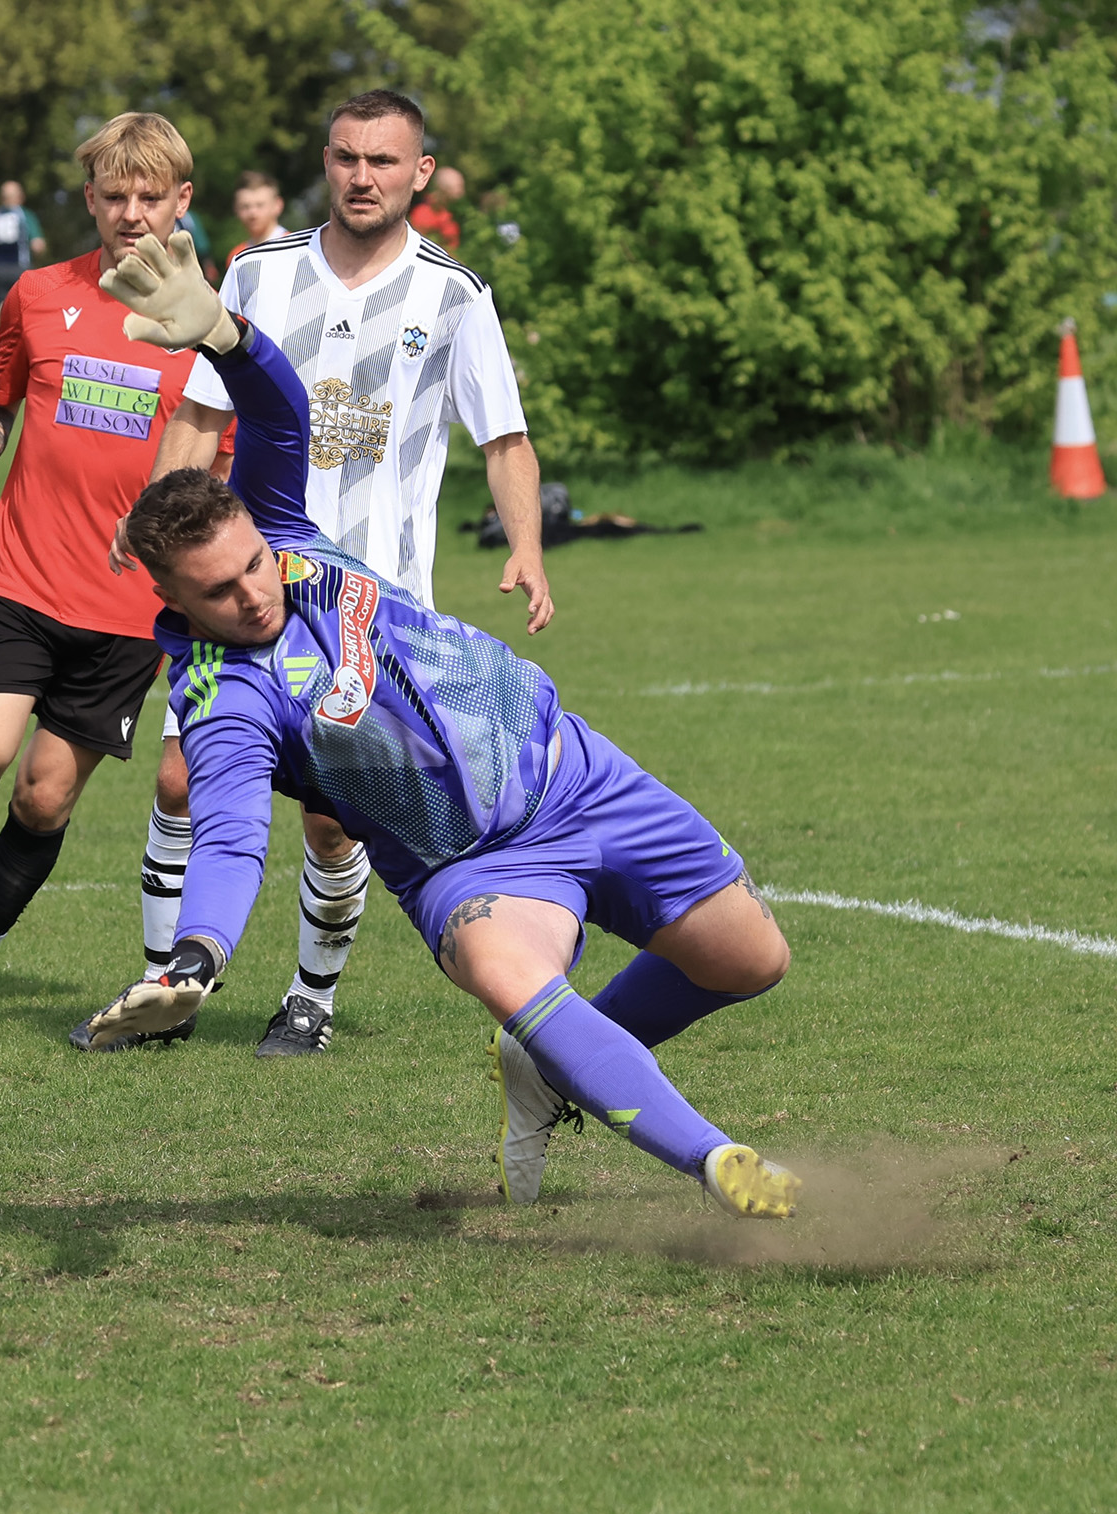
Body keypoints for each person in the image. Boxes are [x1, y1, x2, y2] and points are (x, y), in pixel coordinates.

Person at [76, 231, 801, 1218]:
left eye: (250, 564)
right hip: (467, 868)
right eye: (219, 590)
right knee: (508, 973)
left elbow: (280, 416)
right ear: (170, 597)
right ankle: (716, 1162)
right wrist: (197, 956)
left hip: (573, 773)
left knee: (751, 960)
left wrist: (225, 335)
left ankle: (543, 1063)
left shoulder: (278, 528)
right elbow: (233, 833)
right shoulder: (221, 697)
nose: (253, 592)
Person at [99, 90, 553, 1058]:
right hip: (245, 580)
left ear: (419, 173)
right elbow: (204, 412)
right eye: (346, 157)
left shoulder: (455, 295)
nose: (361, 176)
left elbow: (504, 438)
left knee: (331, 821)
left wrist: (526, 544)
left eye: (383, 161)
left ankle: (310, 1000)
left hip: (370, 607)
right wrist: (155, 525)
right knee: (180, 778)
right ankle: (164, 987)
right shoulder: (257, 272)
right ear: (324, 161)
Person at [0, 112, 212, 1016]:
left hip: (130, 612)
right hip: (23, 582)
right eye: (115, 196)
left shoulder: (209, 328)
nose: (133, 214)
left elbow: (222, 469)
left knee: (43, 798)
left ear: (182, 201)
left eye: (151, 197)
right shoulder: (36, 294)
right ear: (90, 200)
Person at [0, 180, 47, 305]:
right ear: (20, 197)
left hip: (0, 268)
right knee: (23, 304)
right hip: (20, 267)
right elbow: (38, 244)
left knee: (3, 304)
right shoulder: (24, 215)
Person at [225, 171, 289, 263]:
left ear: (278, 205)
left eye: (260, 205)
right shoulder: (236, 256)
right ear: (235, 208)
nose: (252, 213)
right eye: (245, 206)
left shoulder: (296, 248)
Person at [410, 164, 465, 252]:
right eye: (458, 187)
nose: (461, 193)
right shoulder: (423, 214)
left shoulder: (451, 213)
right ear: (444, 188)